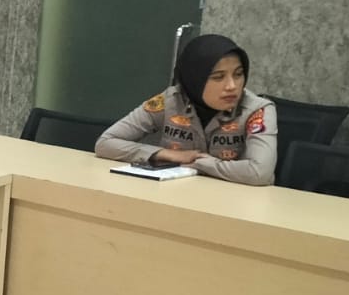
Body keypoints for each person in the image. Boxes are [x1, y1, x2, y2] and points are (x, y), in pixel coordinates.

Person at [95, 34, 278, 186]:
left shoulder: (258, 110)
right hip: (176, 195)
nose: (231, 86)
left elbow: (260, 173)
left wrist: (202, 163)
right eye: (218, 77)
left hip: (234, 202)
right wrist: (166, 154)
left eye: (238, 74)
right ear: (194, 79)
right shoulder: (170, 101)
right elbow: (106, 143)